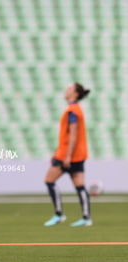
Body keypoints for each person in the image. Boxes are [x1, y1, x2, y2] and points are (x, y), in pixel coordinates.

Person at [43, 83, 92, 227]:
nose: (66, 90)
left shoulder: (72, 111)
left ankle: (59, 214)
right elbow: (68, 135)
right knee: (80, 185)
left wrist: (67, 156)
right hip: (78, 155)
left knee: (49, 180)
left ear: (76, 94)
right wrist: (57, 151)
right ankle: (86, 217)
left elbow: (73, 135)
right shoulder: (76, 109)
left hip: (67, 155)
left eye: (69, 88)